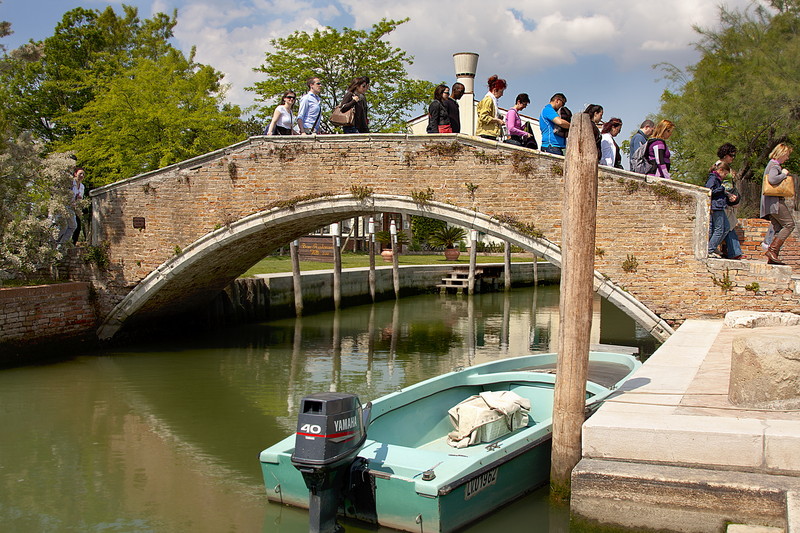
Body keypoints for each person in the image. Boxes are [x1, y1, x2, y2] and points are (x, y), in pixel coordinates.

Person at [760, 143, 796, 265]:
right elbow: (772, 179)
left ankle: (773, 257)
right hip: (775, 202)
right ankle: (772, 251)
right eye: (787, 155)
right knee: (789, 224)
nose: (787, 158)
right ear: (782, 153)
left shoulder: (770, 164)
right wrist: (784, 174)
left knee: (778, 228)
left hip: (769, 203)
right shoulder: (775, 165)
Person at [714, 143, 743, 259]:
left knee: (727, 225)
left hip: (727, 200)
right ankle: (734, 252)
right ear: (725, 155)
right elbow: (719, 185)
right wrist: (728, 196)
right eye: (731, 155)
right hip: (723, 200)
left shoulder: (727, 167)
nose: (733, 158)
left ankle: (730, 251)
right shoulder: (719, 166)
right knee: (727, 226)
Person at [706, 161, 734, 258]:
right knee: (719, 229)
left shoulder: (717, 179)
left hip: (719, 206)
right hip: (716, 206)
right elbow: (709, 191)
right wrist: (722, 188)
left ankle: (712, 247)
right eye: (725, 174)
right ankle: (709, 249)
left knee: (726, 227)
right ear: (720, 170)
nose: (725, 176)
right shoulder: (713, 178)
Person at [57, 168, 85, 246]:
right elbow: (63, 194)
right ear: (75, 174)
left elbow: (80, 199)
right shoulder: (70, 183)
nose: (82, 175)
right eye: (80, 173)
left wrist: (78, 199)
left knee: (73, 226)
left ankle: (61, 245)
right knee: (64, 227)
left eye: (83, 174)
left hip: (72, 208)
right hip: (64, 206)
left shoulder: (82, 186)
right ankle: (53, 243)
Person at [476, 75, 506, 140]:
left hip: (489, 133)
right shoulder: (488, 100)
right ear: (495, 90)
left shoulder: (492, 100)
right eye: (501, 91)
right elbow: (483, 117)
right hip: (486, 133)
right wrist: (497, 120)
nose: (502, 94)